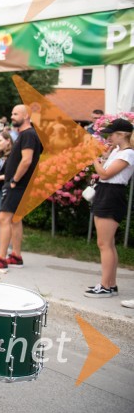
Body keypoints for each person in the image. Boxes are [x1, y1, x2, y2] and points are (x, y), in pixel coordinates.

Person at [0, 104, 42, 271]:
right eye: (12, 113)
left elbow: (27, 160)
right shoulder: (26, 134)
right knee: (15, 220)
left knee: (4, 219)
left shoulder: (28, 134)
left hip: (17, 185)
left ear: (26, 116)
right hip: (18, 184)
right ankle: (16, 256)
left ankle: (1, 259)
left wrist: (14, 180)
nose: (12, 116)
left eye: (16, 114)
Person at [84, 118, 134, 298]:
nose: (109, 137)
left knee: (104, 244)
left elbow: (105, 174)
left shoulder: (128, 153)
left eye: (112, 134)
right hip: (107, 192)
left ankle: (105, 285)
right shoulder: (118, 151)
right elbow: (106, 171)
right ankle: (110, 284)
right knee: (108, 243)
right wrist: (105, 156)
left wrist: (94, 159)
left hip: (112, 194)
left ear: (122, 134)